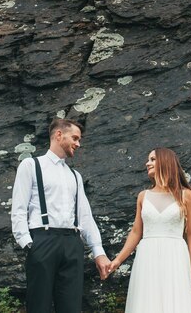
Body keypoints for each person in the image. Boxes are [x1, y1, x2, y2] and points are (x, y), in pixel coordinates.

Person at [11, 119, 111, 313]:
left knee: (71, 307)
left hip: (72, 242)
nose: (78, 144)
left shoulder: (75, 175)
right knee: (39, 306)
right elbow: (19, 208)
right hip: (43, 240)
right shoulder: (31, 165)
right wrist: (28, 243)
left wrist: (98, 251)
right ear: (58, 135)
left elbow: (84, 215)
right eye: (74, 138)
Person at [108, 147, 191, 312]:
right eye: (148, 159)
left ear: (166, 162)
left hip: (175, 256)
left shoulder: (186, 195)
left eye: (153, 159)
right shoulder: (143, 196)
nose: (147, 163)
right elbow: (136, 232)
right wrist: (118, 260)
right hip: (148, 257)